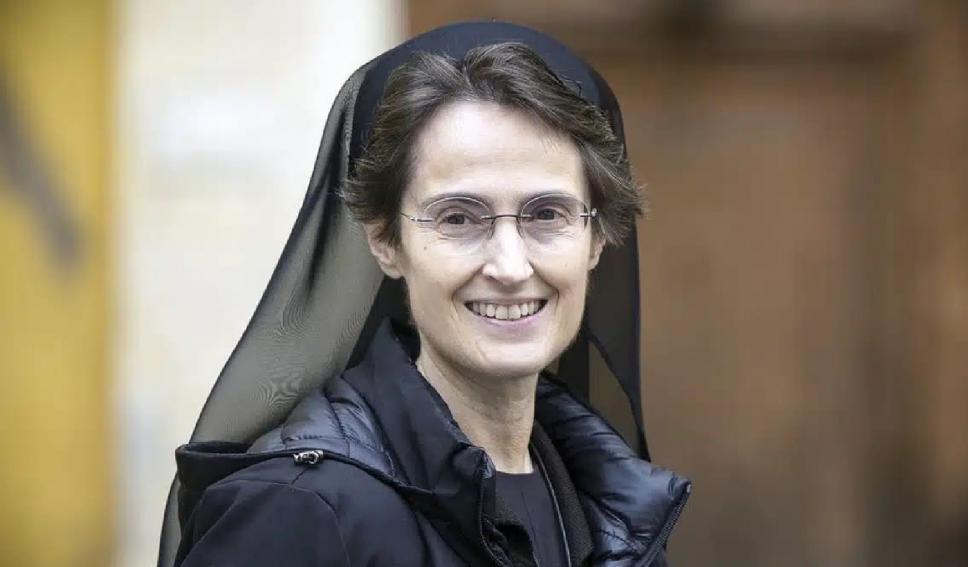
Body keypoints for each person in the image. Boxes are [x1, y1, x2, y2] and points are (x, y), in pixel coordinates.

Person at [165, 21, 691, 567]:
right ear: (385, 240)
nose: (510, 267)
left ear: (596, 238)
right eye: (458, 218)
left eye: (546, 214)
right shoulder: (295, 509)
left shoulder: (604, 505)